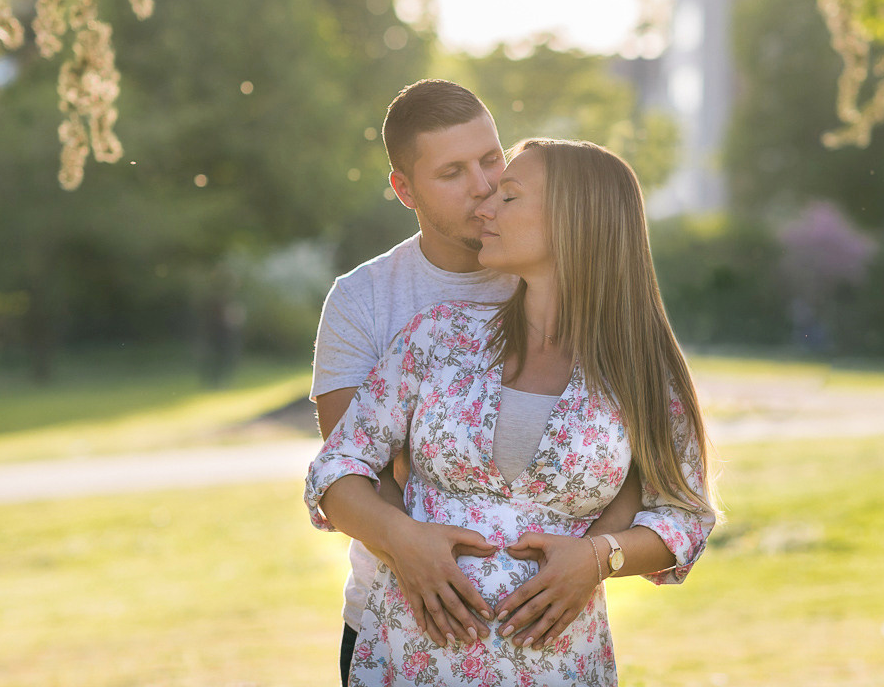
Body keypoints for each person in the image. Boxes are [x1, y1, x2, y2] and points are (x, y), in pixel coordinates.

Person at [306, 138, 719, 686]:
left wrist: (599, 557)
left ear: (574, 220)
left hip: (559, 668)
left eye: (509, 196)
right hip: (408, 661)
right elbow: (337, 467)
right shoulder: (439, 337)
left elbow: (684, 515)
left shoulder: (642, 373)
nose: (485, 209)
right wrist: (402, 538)